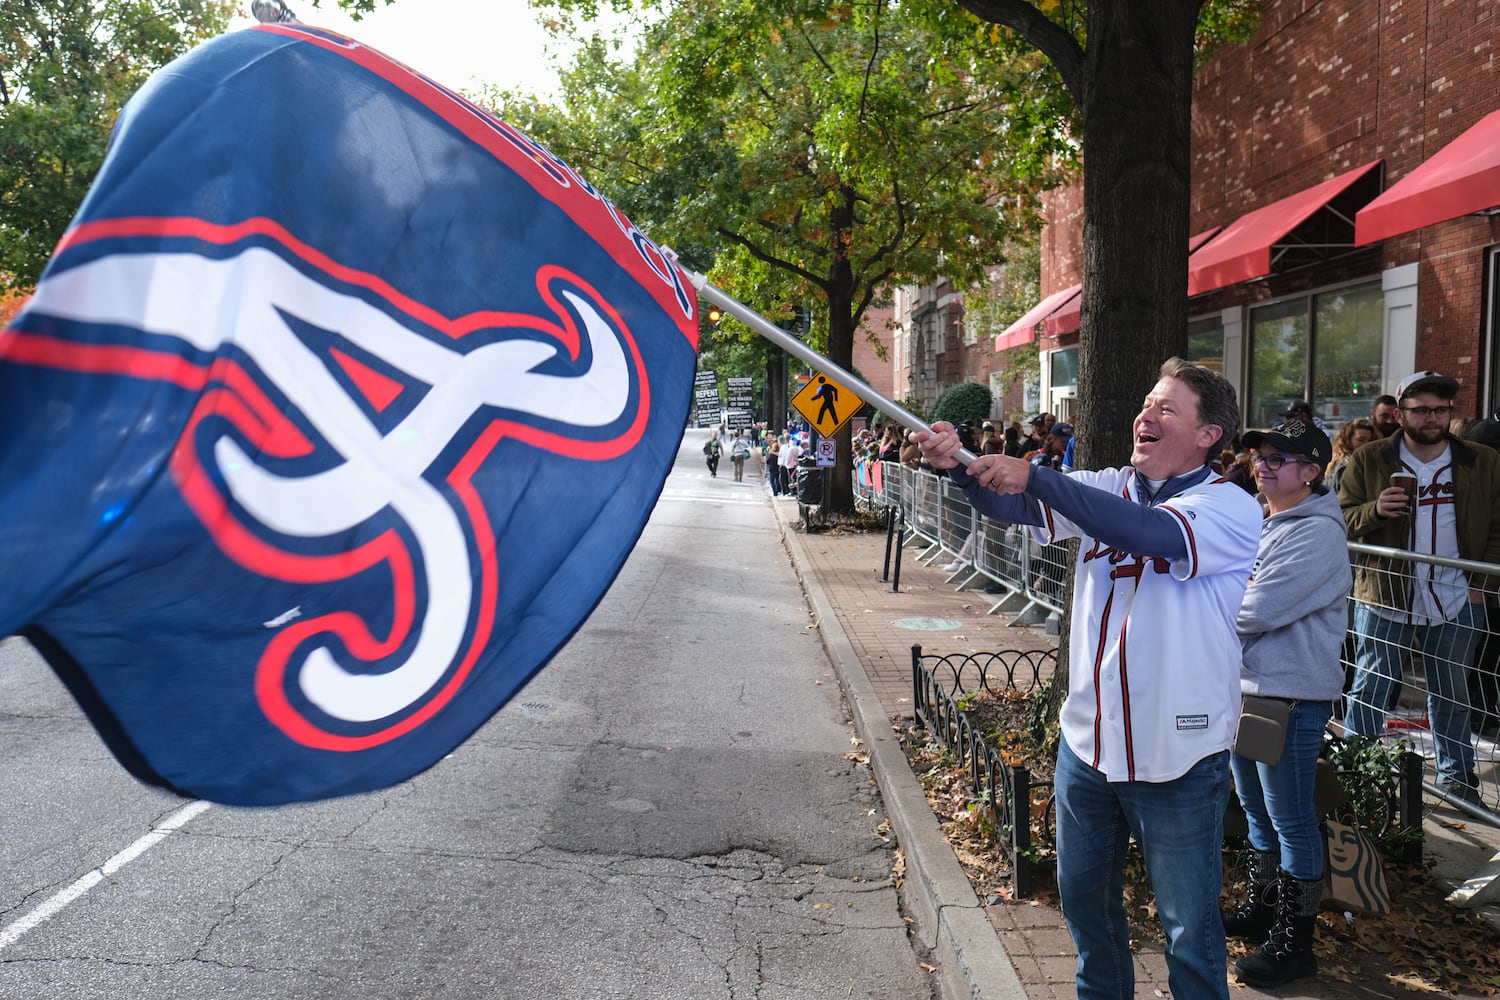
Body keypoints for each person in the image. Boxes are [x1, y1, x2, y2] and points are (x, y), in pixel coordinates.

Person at [916, 357, 1261, 1000]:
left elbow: (1146, 532)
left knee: (1188, 928)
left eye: (1166, 408)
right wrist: (960, 465)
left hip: (1179, 753)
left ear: (1210, 433)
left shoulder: (1231, 506)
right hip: (1089, 745)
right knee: (1085, 908)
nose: (1145, 416)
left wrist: (1039, 478)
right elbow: (1012, 504)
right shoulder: (1109, 483)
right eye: (1146, 403)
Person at [1222, 418, 1350, 989]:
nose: (1263, 465)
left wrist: (1214, 608)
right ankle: (1262, 910)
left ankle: (1296, 945)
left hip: (1291, 697)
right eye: (1259, 456)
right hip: (1250, 689)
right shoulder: (1266, 520)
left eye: (1278, 458)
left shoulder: (1315, 533)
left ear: (1311, 471)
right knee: (1254, 808)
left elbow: (1254, 609)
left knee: (1291, 818)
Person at [1339, 370, 1500, 805]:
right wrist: (1375, 510)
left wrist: (1479, 582)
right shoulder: (1368, 459)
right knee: (1370, 688)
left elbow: (1497, 527)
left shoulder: (1481, 460)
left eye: (1442, 409)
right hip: (1385, 595)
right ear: (1399, 411)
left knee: (1452, 691)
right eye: (1422, 409)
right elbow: (1341, 520)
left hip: (1457, 597)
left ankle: (1458, 780)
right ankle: (1357, 777)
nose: (1433, 417)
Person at [1327, 418, 1376, 494]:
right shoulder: (1346, 468)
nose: (1367, 444)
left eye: (1370, 441)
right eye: (1361, 440)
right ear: (1347, 441)